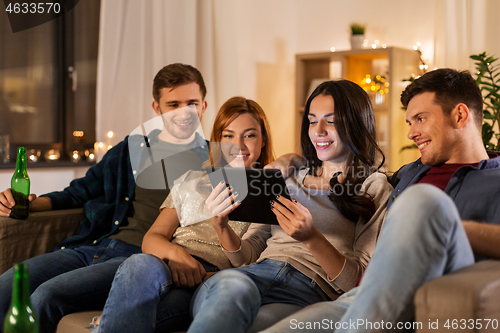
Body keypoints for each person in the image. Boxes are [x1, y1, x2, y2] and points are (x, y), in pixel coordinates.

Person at [260, 68, 500, 333]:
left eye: (420, 119)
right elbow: (345, 167)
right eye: (410, 123)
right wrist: (293, 160)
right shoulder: (410, 173)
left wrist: (439, 227)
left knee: (422, 201)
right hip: (362, 293)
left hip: (427, 285)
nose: (411, 133)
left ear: (460, 115)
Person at [0, 63, 210, 333]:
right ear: (157, 108)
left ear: (203, 105)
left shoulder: (214, 161)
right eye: (173, 104)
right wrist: (30, 203)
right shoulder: (131, 149)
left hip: (139, 261)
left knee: (46, 296)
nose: (184, 112)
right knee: (8, 285)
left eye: (191, 103)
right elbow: (81, 190)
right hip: (94, 245)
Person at [187, 80, 393, 333]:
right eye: (312, 120)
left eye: (331, 120)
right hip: (248, 278)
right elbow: (247, 257)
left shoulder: (374, 187)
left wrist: (312, 238)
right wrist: (222, 228)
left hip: (304, 292)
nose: (318, 130)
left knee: (252, 325)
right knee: (232, 289)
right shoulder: (288, 176)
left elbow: (356, 283)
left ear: (355, 123)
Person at [91, 96, 275, 333]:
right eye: (228, 135)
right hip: (167, 262)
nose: (237, 145)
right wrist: (176, 255)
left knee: (140, 313)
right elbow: (152, 237)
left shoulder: (271, 190)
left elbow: (258, 260)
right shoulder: (192, 179)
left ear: (263, 140)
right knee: (139, 262)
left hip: (207, 280)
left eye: (249, 135)